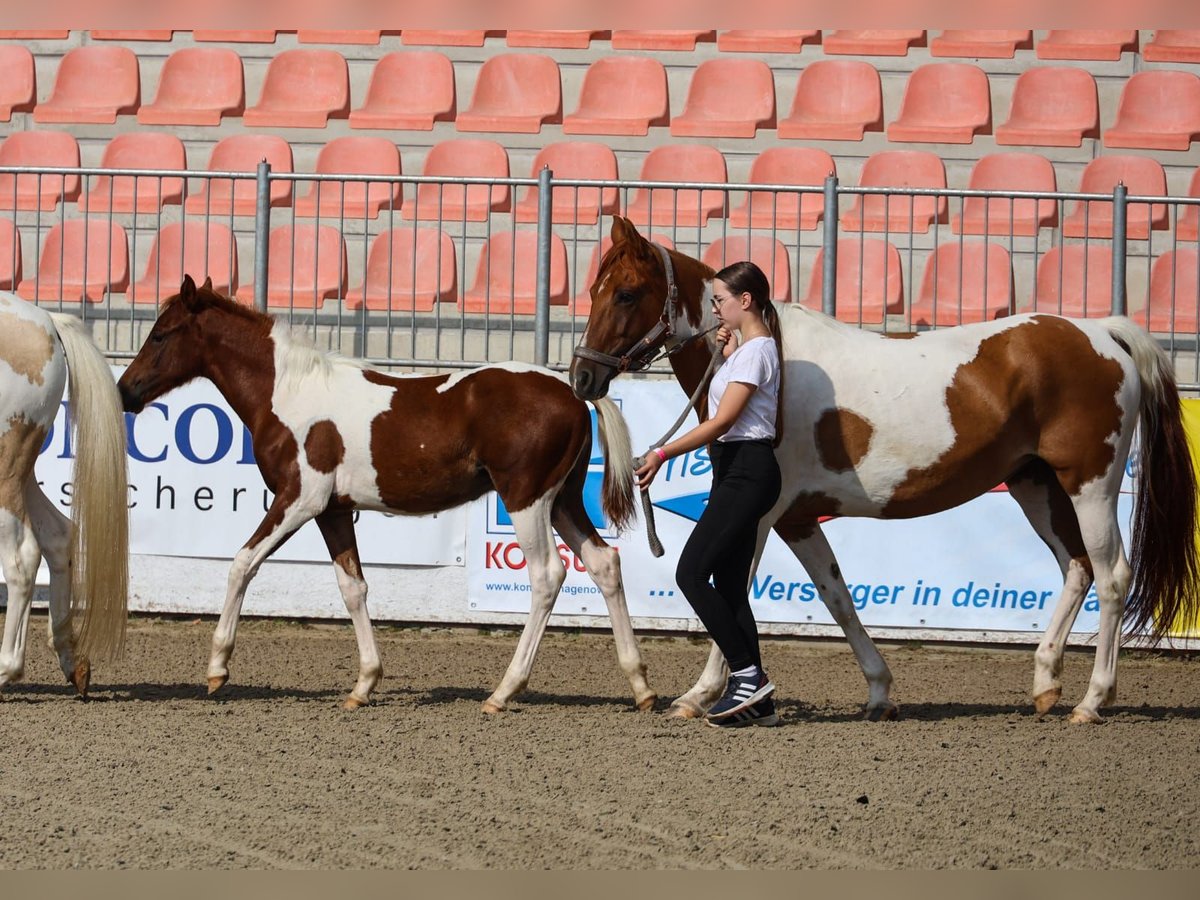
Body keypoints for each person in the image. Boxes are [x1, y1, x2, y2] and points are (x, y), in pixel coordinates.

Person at [636, 260, 784, 728]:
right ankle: (758, 701)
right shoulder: (745, 350)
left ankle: (747, 676)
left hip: (747, 470)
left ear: (746, 301)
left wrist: (661, 454)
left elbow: (721, 423)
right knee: (728, 585)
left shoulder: (760, 351)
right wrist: (725, 355)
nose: (714, 309)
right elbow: (723, 406)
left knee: (692, 573)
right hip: (734, 470)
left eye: (720, 301)